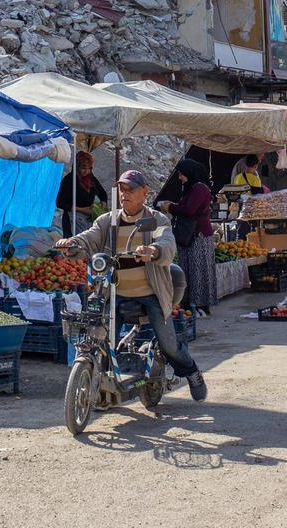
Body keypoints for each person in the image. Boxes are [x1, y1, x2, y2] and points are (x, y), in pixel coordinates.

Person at [56, 168, 207, 403]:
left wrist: (153, 251)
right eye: (122, 189)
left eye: (130, 189)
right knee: (101, 338)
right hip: (116, 294)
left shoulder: (155, 220)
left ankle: (192, 372)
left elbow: (168, 243)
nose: (124, 194)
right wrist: (71, 243)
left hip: (151, 294)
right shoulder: (108, 221)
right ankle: (103, 387)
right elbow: (90, 237)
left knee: (169, 346)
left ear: (144, 192)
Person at [158, 159, 217, 319]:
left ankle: (199, 306)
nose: (180, 178)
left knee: (198, 270)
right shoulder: (191, 188)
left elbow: (190, 210)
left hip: (198, 236)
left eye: (181, 174)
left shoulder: (199, 189)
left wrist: (170, 207)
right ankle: (190, 304)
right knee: (189, 270)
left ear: (190, 173)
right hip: (189, 236)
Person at [56, 150, 108, 238]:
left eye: (89, 168)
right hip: (72, 220)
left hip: (88, 220)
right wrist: (81, 209)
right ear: (77, 166)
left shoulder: (91, 179)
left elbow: (103, 194)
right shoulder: (69, 180)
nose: (86, 171)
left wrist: (103, 204)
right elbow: (60, 203)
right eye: (83, 168)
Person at [233, 155, 269, 240]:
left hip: (240, 206)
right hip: (251, 207)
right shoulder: (255, 179)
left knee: (241, 229)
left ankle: (240, 245)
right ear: (256, 166)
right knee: (254, 230)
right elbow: (258, 196)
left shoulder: (238, 177)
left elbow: (234, 192)